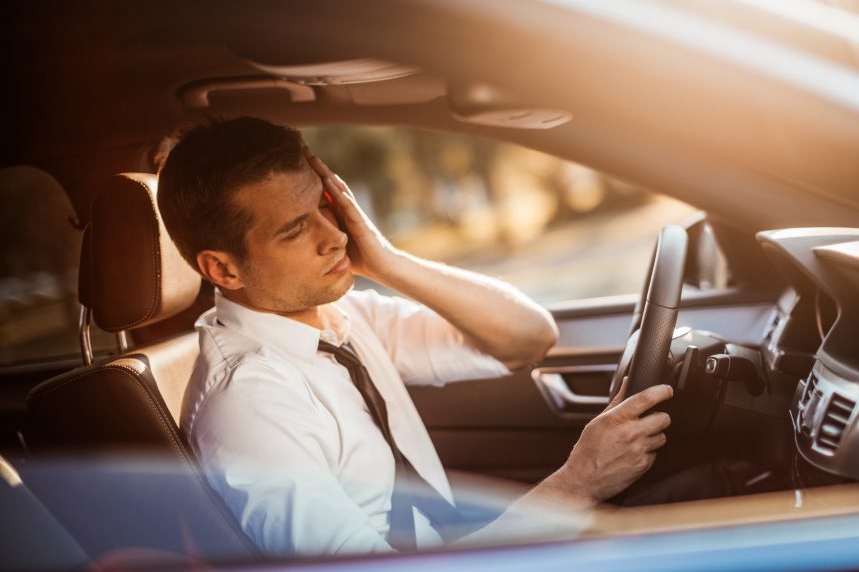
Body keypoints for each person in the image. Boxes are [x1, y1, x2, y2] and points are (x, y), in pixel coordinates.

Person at [157, 117, 673, 556]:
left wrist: (386, 260)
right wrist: (578, 483)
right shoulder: (249, 403)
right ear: (222, 269)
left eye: (327, 206)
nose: (334, 235)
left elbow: (528, 337)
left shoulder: (340, 319)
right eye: (295, 230)